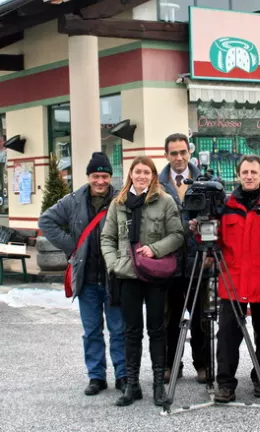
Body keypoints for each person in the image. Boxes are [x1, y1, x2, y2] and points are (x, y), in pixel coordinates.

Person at [39, 152, 126, 396]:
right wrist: (72, 246)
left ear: (110, 177)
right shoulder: (73, 200)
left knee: (119, 330)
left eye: (105, 176)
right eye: (96, 176)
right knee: (92, 332)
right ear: (88, 176)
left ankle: (122, 375)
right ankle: (96, 377)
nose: (100, 181)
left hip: (114, 277)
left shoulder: (121, 200)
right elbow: (46, 221)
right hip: (86, 280)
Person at [101, 156, 185, 408]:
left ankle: (158, 385)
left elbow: (177, 235)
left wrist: (155, 249)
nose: (141, 176)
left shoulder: (165, 200)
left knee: (157, 330)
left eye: (146, 172)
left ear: (152, 175)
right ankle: (133, 385)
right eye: (137, 172)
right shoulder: (119, 203)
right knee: (131, 331)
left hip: (155, 274)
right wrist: (114, 264)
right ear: (131, 174)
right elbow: (107, 237)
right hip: (128, 275)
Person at [211, 155, 260, 403]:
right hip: (232, 280)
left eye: (254, 172)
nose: (249, 176)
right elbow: (215, 240)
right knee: (227, 334)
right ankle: (225, 383)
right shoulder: (226, 205)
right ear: (238, 175)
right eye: (245, 172)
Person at [158, 133, 207, 384]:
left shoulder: (205, 180)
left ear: (190, 152)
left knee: (201, 318)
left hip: (198, 261)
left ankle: (203, 365)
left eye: (183, 152)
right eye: (174, 153)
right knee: (170, 319)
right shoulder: (157, 184)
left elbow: (217, 213)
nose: (179, 157)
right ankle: (170, 365)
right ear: (166, 155)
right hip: (168, 263)